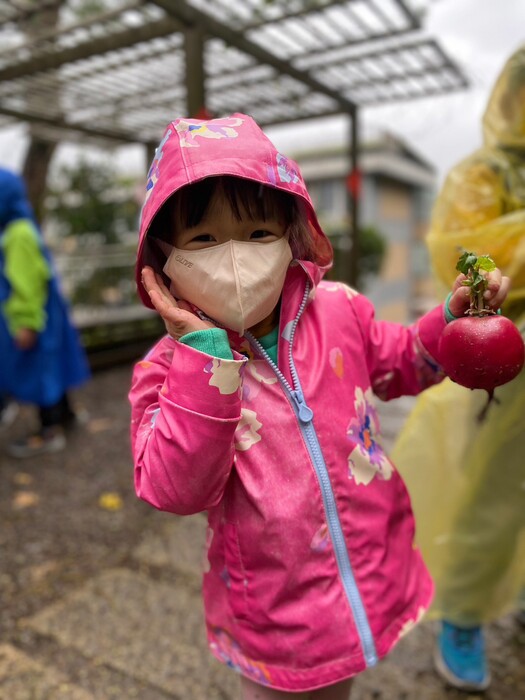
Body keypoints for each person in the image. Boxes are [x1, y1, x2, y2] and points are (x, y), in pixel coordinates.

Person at [128, 113, 509, 698]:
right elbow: (176, 489)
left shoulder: (340, 311)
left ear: (291, 233)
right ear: (162, 258)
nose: (234, 259)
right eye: (203, 239)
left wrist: (455, 324)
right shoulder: (166, 372)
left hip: (364, 580)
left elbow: (401, 361)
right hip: (276, 620)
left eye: (257, 234)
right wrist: (203, 358)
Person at [391, 45, 525, 692]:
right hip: (507, 356)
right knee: (493, 492)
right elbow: (464, 256)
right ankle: (465, 614)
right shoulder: (482, 174)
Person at [0, 166, 91, 458]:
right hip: (47, 316)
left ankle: (49, 430)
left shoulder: (16, 234)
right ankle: (66, 417)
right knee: (52, 366)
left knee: (40, 370)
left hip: (35, 318)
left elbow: (26, 281)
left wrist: (26, 322)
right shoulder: (24, 227)